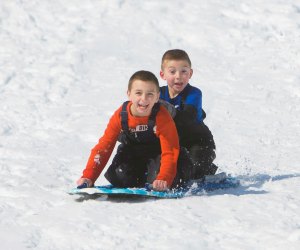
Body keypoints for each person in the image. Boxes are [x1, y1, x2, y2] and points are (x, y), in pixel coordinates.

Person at [77, 70, 192, 191]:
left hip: (160, 153)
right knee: (120, 178)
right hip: (134, 153)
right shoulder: (121, 116)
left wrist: (164, 178)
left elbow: (170, 151)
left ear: (157, 96)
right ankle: (143, 176)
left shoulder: (162, 117)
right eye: (138, 93)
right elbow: (104, 147)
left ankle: (184, 172)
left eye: (150, 94)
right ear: (129, 94)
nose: (144, 99)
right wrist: (89, 177)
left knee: (165, 179)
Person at [159, 49, 217, 179]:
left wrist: (168, 109)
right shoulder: (158, 93)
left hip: (197, 141)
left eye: (184, 71)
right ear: (163, 74)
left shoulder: (194, 93)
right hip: (174, 142)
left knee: (194, 166)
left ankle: (206, 170)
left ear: (190, 73)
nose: (178, 76)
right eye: (172, 71)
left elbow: (188, 118)